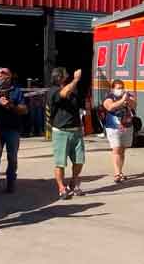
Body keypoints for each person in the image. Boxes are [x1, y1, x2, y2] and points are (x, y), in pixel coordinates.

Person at [0, 68, 27, 193]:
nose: (1, 77)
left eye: (4, 75)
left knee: (12, 158)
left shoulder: (17, 91)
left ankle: (10, 184)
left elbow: (24, 109)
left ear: (10, 77)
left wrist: (10, 105)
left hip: (12, 130)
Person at [47, 67, 85, 199]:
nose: (68, 76)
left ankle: (73, 183)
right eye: (66, 74)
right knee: (60, 162)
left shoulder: (73, 89)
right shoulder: (53, 90)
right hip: (61, 132)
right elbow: (63, 94)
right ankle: (61, 188)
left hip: (76, 130)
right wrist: (75, 80)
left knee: (79, 161)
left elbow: (79, 103)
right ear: (59, 77)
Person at [102, 79, 137, 183]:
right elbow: (110, 107)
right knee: (116, 149)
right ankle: (117, 173)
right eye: (118, 88)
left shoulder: (127, 96)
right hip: (113, 127)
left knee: (122, 150)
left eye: (122, 87)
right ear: (113, 89)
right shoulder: (109, 97)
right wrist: (122, 101)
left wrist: (128, 100)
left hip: (127, 126)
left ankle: (120, 171)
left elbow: (134, 105)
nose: (120, 90)